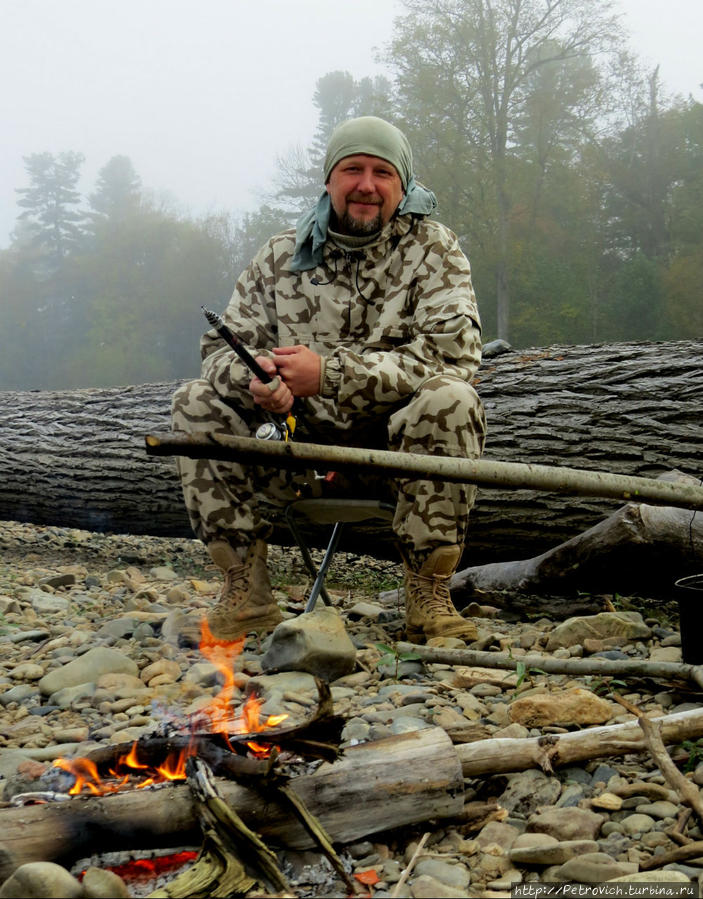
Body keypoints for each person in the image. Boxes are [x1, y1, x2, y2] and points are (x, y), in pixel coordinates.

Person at [172, 115, 486, 644]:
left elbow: (454, 354)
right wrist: (256, 379)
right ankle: (246, 594)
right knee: (195, 400)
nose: (366, 184)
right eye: (352, 169)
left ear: (402, 185)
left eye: (382, 172)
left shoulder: (435, 250)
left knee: (452, 398)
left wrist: (330, 373)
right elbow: (217, 353)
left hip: (393, 460)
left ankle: (429, 599)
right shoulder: (279, 255)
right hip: (295, 458)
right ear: (329, 180)